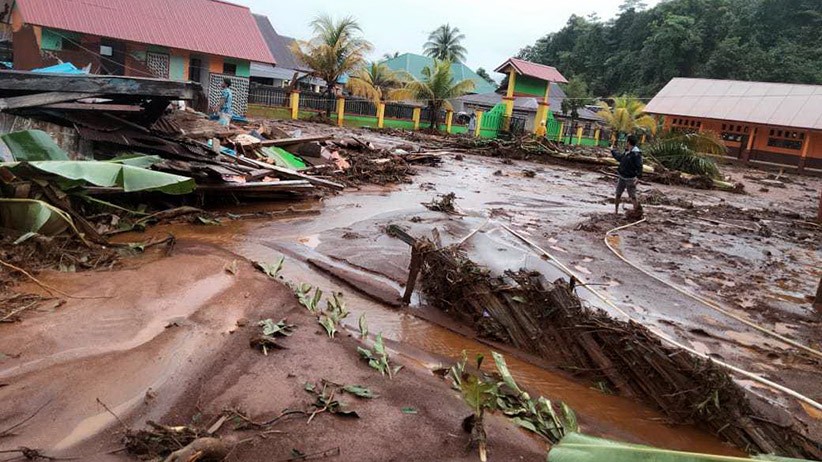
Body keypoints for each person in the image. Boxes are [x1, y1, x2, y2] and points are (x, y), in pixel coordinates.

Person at [611, 134, 643, 215]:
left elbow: (639, 166)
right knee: (618, 194)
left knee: (633, 196)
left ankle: (637, 212)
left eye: (626, 141)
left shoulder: (636, 154)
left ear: (628, 142)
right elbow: (620, 158)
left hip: (630, 178)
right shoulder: (627, 152)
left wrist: (638, 177)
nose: (626, 142)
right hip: (622, 176)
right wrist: (613, 151)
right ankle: (616, 211)